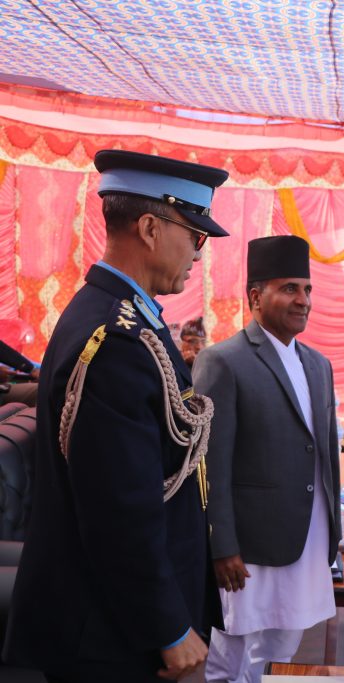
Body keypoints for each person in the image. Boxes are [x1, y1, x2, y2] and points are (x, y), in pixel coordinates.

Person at [3, 149, 230, 681]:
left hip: (116, 619)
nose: (198, 256)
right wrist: (168, 628)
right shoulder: (117, 340)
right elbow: (119, 509)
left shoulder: (117, 317)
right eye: (195, 237)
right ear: (150, 229)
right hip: (113, 635)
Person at [192, 235, 341, 682]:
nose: (303, 300)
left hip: (305, 535)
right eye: (289, 288)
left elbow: (325, 453)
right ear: (256, 297)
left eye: (307, 289)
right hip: (249, 546)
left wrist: (332, 530)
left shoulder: (318, 365)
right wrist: (222, 546)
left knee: (281, 649)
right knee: (231, 654)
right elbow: (209, 464)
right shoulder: (223, 361)